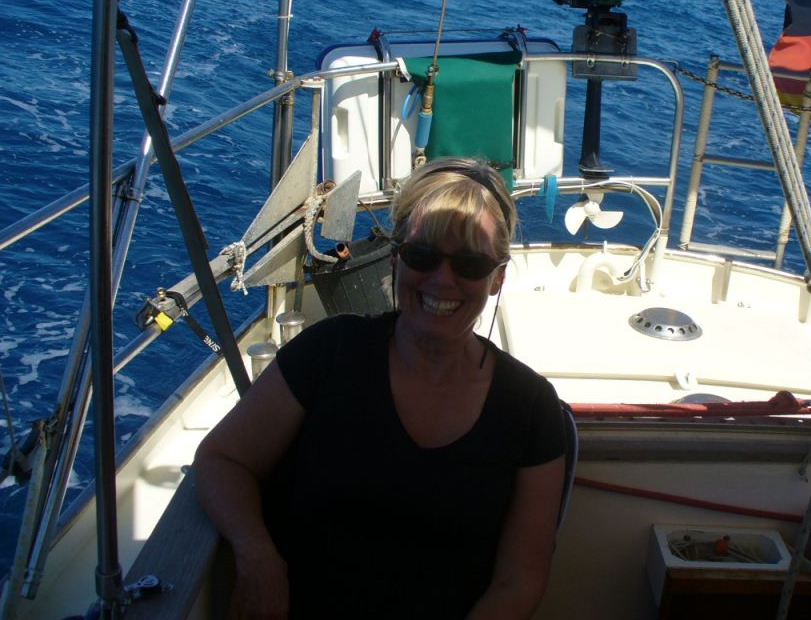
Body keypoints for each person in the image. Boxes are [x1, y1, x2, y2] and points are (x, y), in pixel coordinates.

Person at [194, 157, 566, 619]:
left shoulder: (531, 409)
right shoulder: (327, 353)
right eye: (422, 255)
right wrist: (257, 556)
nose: (442, 280)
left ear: (498, 278)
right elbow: (221, 460)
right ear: (395, 258)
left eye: (470, 264)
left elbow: (520, 581)